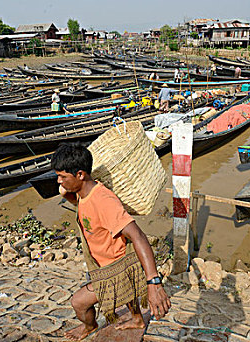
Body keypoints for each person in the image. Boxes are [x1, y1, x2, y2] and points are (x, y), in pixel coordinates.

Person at [52, 145, 171, 341]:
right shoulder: (84, 193)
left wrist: (153, 282)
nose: (59, 181)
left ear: (80, 174)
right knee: (128, 292)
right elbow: (83, 206)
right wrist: (67, 193)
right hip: (103, 260)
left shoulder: (103, 200)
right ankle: (137, 319)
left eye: (63, 176)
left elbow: (138, 235)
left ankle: (89, 327)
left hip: (115, 267)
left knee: (79, 303)